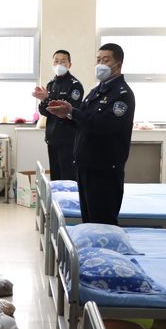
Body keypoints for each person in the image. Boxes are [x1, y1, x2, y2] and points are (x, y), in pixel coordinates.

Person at [46, 43, 135, 225]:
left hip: (104, 169)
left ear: (118, 64)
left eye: (106, 60)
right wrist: (66, 115)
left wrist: (73, 112)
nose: (100, 64)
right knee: (89, 221)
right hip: (86, 166)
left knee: (102, 222)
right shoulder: (97, 91)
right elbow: (83, 122)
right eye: (98, 60)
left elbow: (105, 125)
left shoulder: (122, 94)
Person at [32, 49, 83, 182]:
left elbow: (68, 112)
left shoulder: (75, 86)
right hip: (52, 138)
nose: (59, 64)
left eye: (63, 61)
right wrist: (43, 100)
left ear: (69, 64)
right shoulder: (51, 84)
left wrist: (47, 99)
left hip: (67, 139)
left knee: (67, 179)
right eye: (56, 61)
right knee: (55, 178)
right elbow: (44, 111)